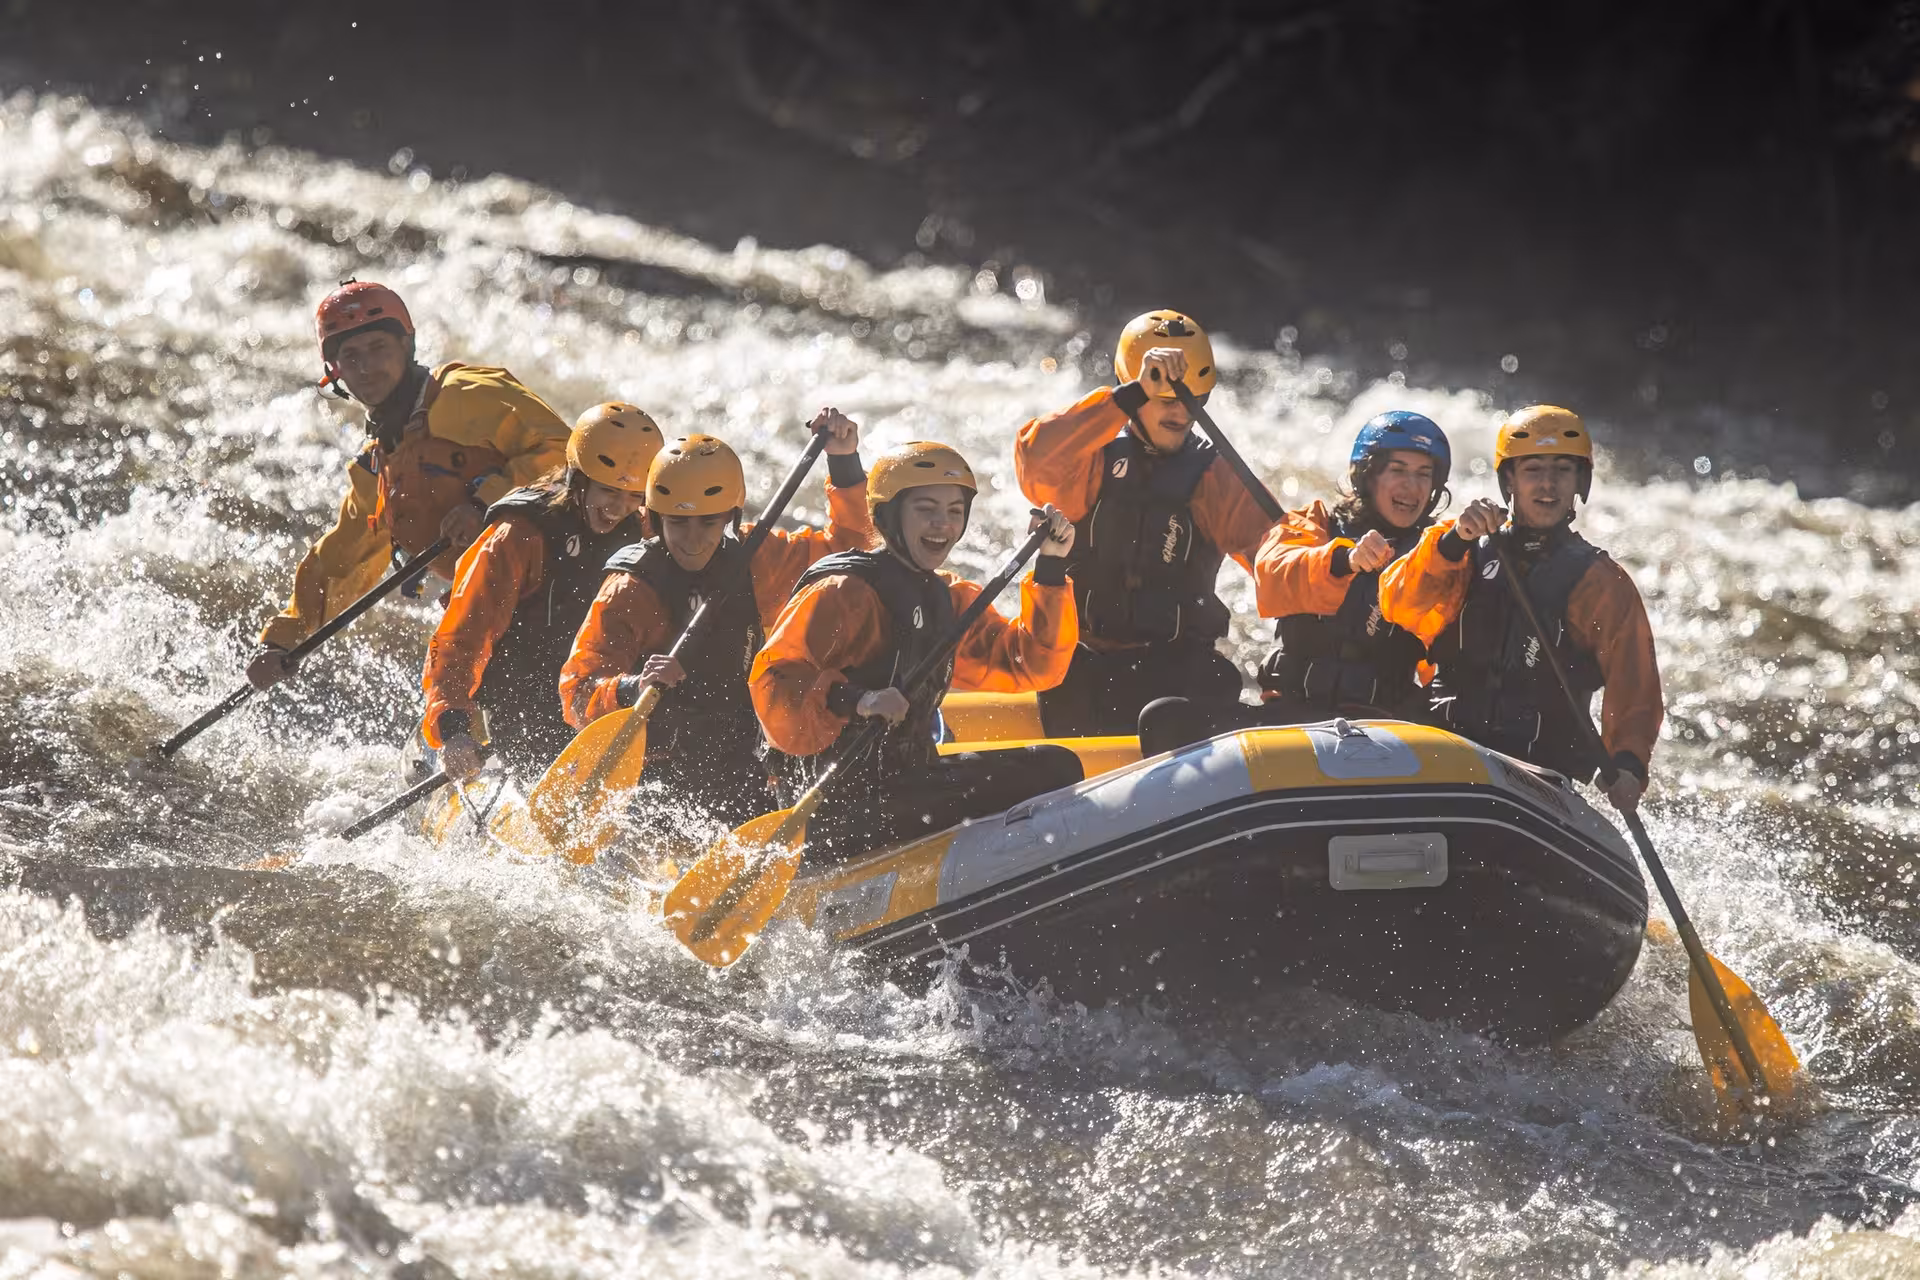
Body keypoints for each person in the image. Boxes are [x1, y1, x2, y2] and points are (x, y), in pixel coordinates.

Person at [751, 442, 1083, 857]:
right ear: (888, 516)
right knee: (1040, 775)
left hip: (907, 783)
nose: (941, 525)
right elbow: (774, 683)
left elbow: (1031, 664)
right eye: (926, 509)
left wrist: (1050, 567)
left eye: (954, 512)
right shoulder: (843, 594)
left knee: (1055, 765)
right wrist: (857, 699)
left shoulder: (949, 599)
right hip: (831, 808)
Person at [247, 280, 571, 689]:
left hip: (565, 574)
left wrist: (486, 503)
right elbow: (341, 559)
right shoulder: (378, 464)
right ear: (335, 372)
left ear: (407, 346)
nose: (366, 367)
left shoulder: (469, 394)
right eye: (350, 356)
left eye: (378, 348)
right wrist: (282, 640)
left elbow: (567, 453)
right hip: (496, 605)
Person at [557, 413, 874, 824]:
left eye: (708, 522)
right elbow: (578, 693)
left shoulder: (755, 558)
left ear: (729, 518)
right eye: (678, 523)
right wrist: (632, 687)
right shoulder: (629, 589)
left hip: (740, 769)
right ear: (654, 519)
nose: (694, 540)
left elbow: (848, 550)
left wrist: (844, 462)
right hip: (648, 785)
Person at [1376, 405, 1662, 812]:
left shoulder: (1601, 583)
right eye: (1533, 470)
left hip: (1538, 775)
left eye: (1562, 470)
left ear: (1581, 480)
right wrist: (1453, 542)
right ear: (1509, 479)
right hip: (1447, 750)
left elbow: (1635, 685)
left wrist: (1628, 763)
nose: (1548, 484)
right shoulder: (1465, 550)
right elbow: (1397, 603)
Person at [1014, 310, 1275, 737]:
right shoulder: (1089, 459)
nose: (1180, 413)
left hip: (1175, 667)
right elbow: (1036, 461)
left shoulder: (1217, 478)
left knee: (1218, 679)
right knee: (1063, 675)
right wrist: (1128, 396)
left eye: (1192, 400)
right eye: (1164, 397)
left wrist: (1338, 561)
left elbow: (1280, 559)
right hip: (1086, 664)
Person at [1137, 411, 1451, 756]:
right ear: (1368, 476)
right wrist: (1342, 560)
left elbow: (1439, 654)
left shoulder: (1439, 553)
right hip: (1292, 719)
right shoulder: (1312, 524)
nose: (1412, 487)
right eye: (1398, 470)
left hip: (1382, 727)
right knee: (1166, 718)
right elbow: (1272, 576)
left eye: (1424, 474)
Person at [419, 402, 663, 780]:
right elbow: (462, 635)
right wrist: (452, 729)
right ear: (579, 479)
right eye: (609, 492)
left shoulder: (645, 531)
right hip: (519, 712)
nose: (620, 508)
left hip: (597, 707)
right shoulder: (518, 535)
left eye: (634, 496)